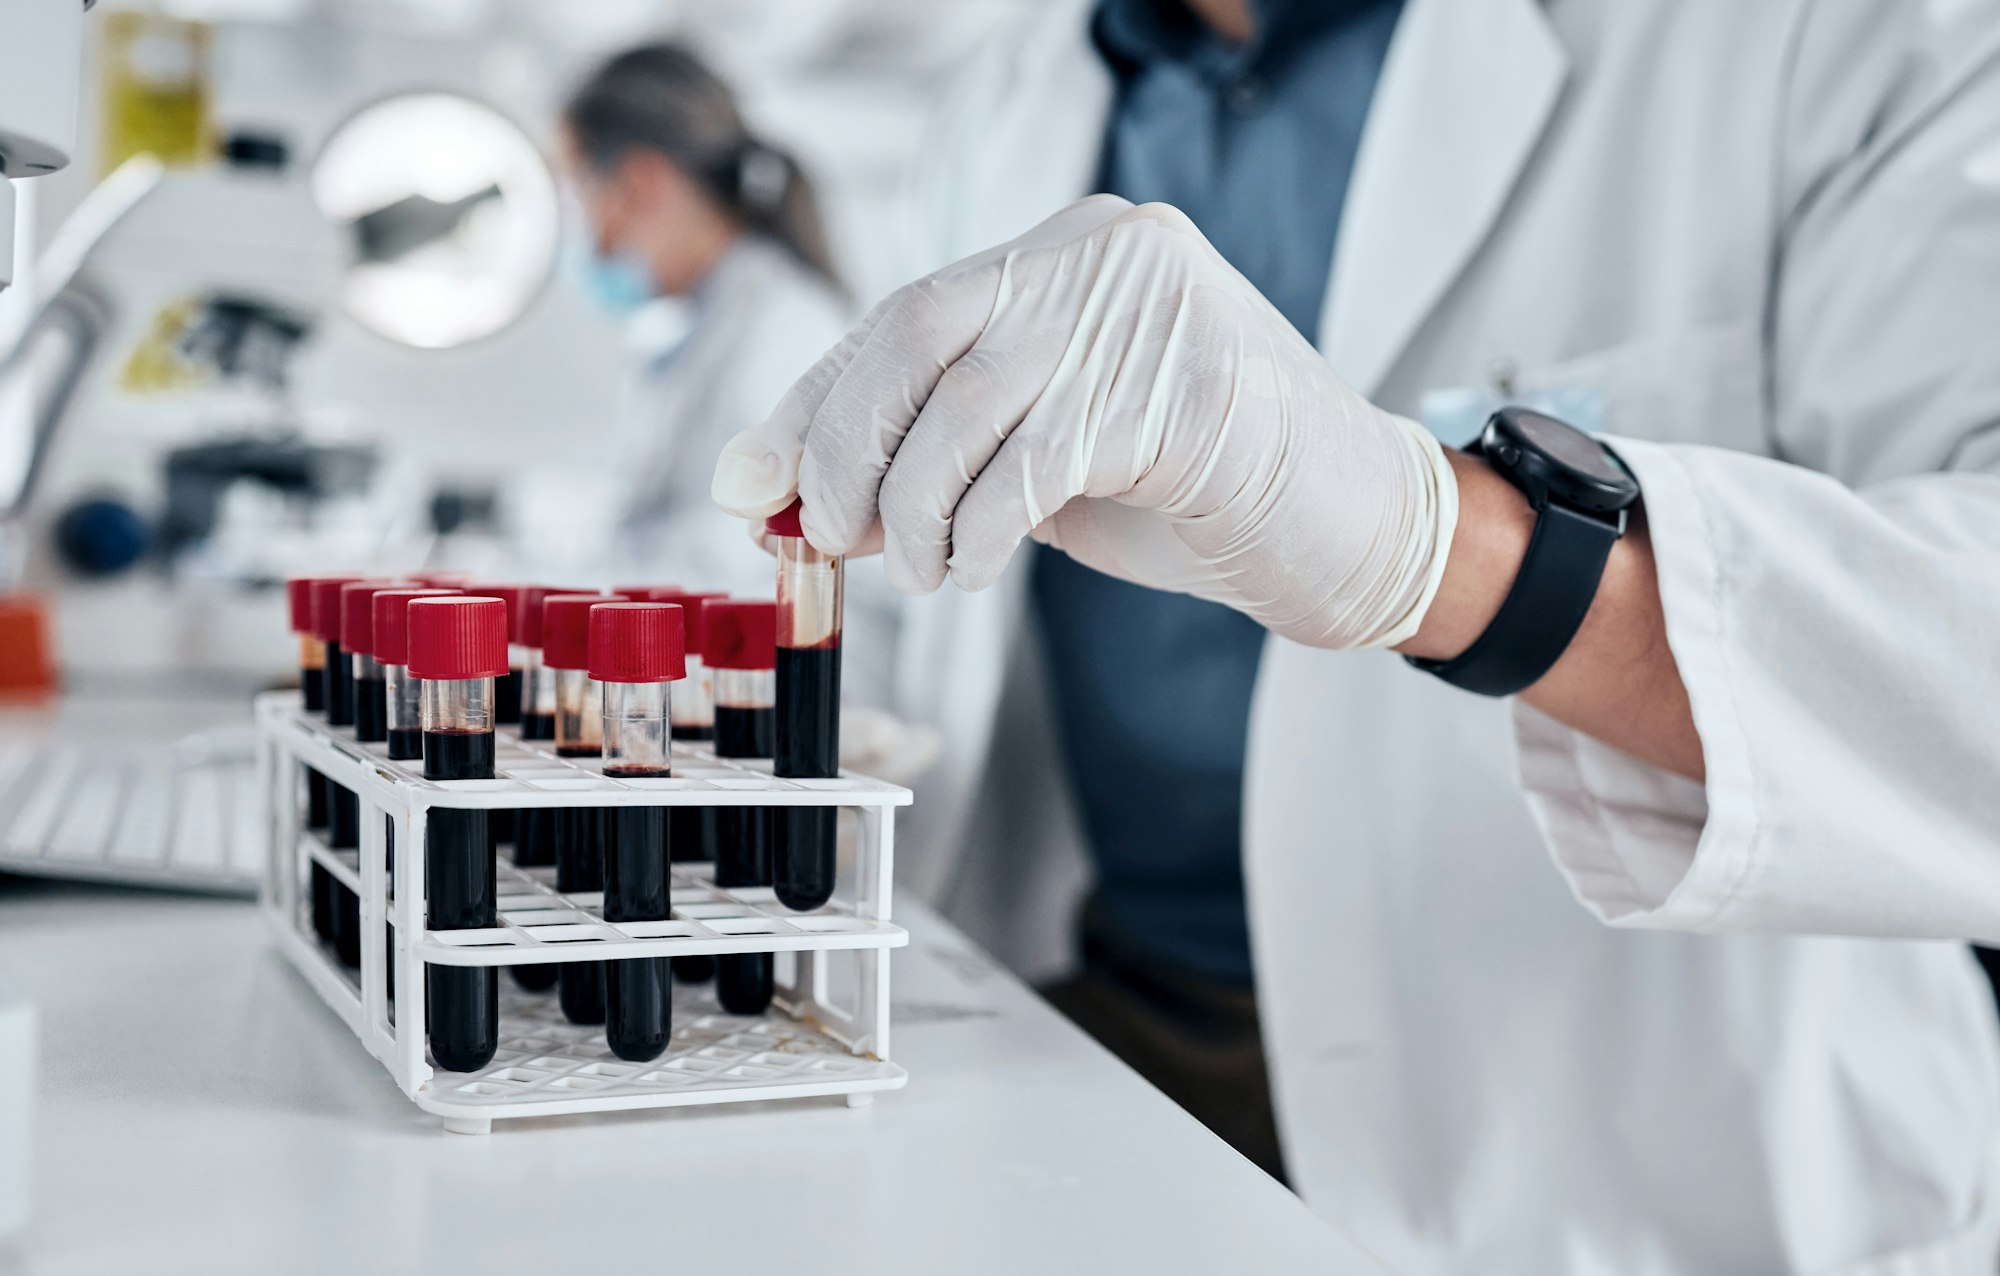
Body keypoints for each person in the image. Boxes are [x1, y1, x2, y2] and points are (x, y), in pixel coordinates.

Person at [712, 0, 2000, 1272]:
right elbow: (913, 591)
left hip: (1622, 1162)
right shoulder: (1007, 98)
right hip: (1106, 1040)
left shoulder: (1832, 33)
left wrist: (1435, 542)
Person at [558, 42, 850, 598]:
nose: (586, 237)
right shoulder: (705, 324)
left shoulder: (783, 326)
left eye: (580, 193)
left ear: (643, 183)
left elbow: (742, 561)